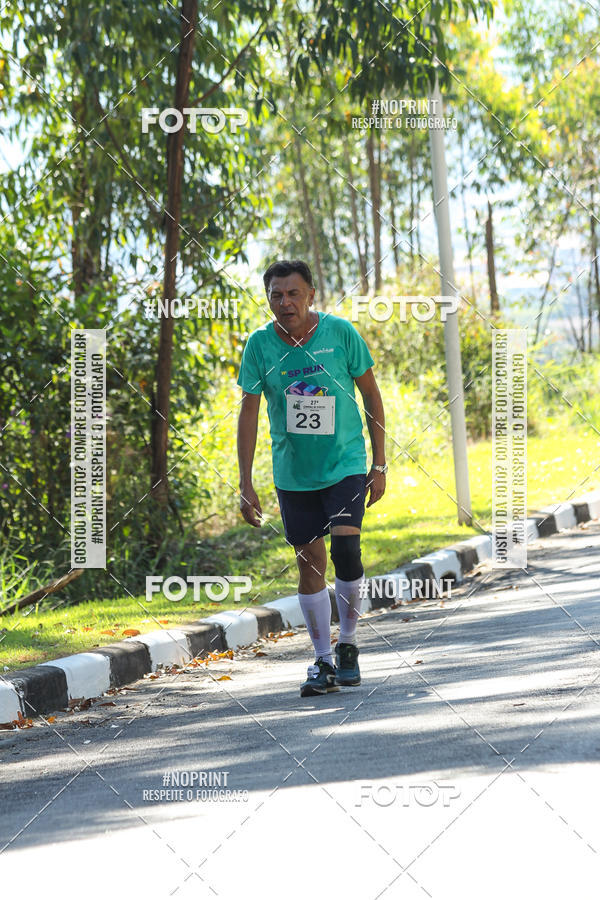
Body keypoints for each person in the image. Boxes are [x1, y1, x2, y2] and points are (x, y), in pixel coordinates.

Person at [236, 260, 387, 696]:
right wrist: (246, 482)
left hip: (344, 463)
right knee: (309, 564)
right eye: (276, 296)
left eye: (293, 294)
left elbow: (371, 394)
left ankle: (349, 646)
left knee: (346, 548)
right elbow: (248, 412)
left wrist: (379, 464)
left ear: (311, 295)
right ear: (268, 300)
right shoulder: (260, 345)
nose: (285, 303)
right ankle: (321, 659)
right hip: (293, 473)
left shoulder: (340, 333)